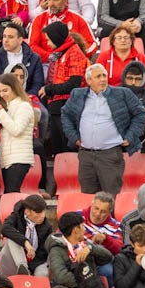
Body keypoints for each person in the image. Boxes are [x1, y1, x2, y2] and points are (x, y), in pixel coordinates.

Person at [61, 63, 145, 196]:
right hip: (86, 155)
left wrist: (130, 136)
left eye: (104, 76)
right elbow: (65, 114)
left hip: (110, 155)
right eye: (98, 76)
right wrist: (73, 137)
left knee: (110, 198)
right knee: (87, 198)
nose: (103, 79)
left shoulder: (122, 93)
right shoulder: (77, 94)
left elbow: (140, 114)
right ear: (89, 80)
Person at [38, 19, 91, 189]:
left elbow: (74, 83)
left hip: (68, 106)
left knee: (69, 147)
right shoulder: (59, 54)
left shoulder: (74, 52)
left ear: (57, 37)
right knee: (58, 149)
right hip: (56, 105)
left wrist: (49, 89)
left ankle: (73, 185)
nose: (47, 43)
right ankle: (61, 185)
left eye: (49, 39)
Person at [47, 212, 111, 288]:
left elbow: (108, 257)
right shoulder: (56, 250)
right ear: (76, 230)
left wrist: (91, 248)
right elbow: (62, 277)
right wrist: (85, 282)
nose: (84, 229)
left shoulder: (84, 244)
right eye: (83, 226)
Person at [0, 72, 38, 194]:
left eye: (5, 90)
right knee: (9, 194)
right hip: (7, 158)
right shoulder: (7, 107)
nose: (2, 94)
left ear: (14, 88)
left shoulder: (24, 106)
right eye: (0, 91)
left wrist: (0, 113)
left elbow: (16, 130)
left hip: (19, 158)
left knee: (11, 194)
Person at [0, 193, 50, 277]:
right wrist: (25, 242)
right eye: (38, 212)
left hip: (34, 263)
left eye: (44, 211)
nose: (42, 216)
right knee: (12, 238)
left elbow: (42, 254)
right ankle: (23, 268)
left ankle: (26, 273)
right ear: (27, 211)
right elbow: (5, 228)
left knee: (43, 274)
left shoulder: (46, 226)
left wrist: (31, 266)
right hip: (11, 261)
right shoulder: (16, 216)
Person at [0, 21, 44, 93]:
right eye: (4, 36)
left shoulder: (34, 59)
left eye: (10, 37)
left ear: (20, 40)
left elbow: (37, 84)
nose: (6, 40)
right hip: (2, 98)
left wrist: (26, 98)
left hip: (28, 98)